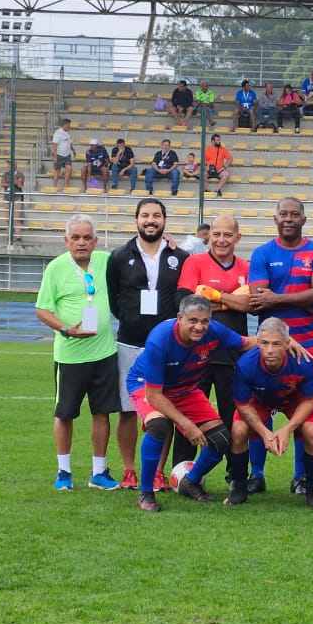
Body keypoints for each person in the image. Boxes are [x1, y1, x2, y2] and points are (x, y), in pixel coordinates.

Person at [125, 295, 257, 513]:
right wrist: (187, 425)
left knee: (222, 440)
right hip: (147, 386)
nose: (199, 327)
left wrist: (283, 339)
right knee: (159, 426)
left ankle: (190, 481)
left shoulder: (215, 331)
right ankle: (146, 492)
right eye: (193, 320)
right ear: (180, 318)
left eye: (204, 321)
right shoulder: (160, 339)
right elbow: (155, 396)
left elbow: (246, 343)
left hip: (185, 389)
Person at [247, 197, 313, 494]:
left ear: (304, 220)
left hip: (306, 345)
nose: (288, 218)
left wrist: (277, 299)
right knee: (259, 407)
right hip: (268, 343)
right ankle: (256, 474)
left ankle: (300, 477)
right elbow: (258, 299)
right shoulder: (262, 253)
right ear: (275, 218)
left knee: (303, 410)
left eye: (294, 214)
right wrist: (298, 299)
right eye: (283, 214)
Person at [107, 197, 189, 491]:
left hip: (166, 346)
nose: (150, 220)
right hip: (129, 342)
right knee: (128, 410)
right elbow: (113, 299)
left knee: (163, 408)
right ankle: (130, 470)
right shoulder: (119, 256)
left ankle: (156, 472)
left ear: (165, 221)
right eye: (145, 215)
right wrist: (131, 319)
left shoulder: (180, 256)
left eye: (156, 215)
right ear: (136, 220)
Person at [34, 213, 120, 492]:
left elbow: (137, 255)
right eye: (75, 237)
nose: (81, 243)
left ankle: (98, 472)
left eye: (86, 237)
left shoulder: (107, 261)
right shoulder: (56, 268)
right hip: (70, 356)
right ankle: (64, 471)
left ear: (95, 240)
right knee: (65, 414)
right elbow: (42, 309)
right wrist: (65, 329)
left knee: (102, 413)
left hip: (105, 353)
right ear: (66, 240)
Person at [174, 212, 251, 462]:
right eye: (216, 234)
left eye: (227, 235)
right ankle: (183, 471)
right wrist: (233, 301)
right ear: (209, 236)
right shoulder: (194, 263)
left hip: (232, 354)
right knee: (189, 414)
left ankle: (235, 475)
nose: (221, 240)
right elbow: (186, 302)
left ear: (237, 237)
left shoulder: (246, 268)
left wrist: (214, 297)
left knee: (233, 416)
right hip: (194, 353)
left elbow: (251, 304)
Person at [228, 317, 313, 509]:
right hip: (260, 400)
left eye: (276, 344)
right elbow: (243, 404)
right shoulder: (246, 364)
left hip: (294, 400)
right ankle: (239, 489)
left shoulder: (303, 362)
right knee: (238, 430)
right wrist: (265, 433)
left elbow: (309, 400)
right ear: (258, 342)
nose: (270, 350)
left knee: (311, 431)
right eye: (264, 343)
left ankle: (312, 490)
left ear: (287, 344)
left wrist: (288, 428)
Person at [0, 164, 26, 240]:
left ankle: (18, 236)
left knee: (17, 219)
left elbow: (20, 185)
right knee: (8, 219)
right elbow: (2, 184)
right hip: (7, 198)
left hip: (16, 198)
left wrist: (14, 179)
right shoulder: (6, 174)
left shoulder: (20, 175)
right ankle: (9, 235)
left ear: (15, 166)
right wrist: (12, 184)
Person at [51, 118, 76, 191]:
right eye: (68, 125)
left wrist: (73, 150)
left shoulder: (67, 133)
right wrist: (55, 156)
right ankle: (54, 186)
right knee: (57, 171)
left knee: (69, 170)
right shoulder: (58, 133)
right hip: (59, 155)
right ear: (64, 125)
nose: (69, 127)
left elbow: (69, 143)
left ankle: (65, 186)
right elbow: (54, 145)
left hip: (67, 155)